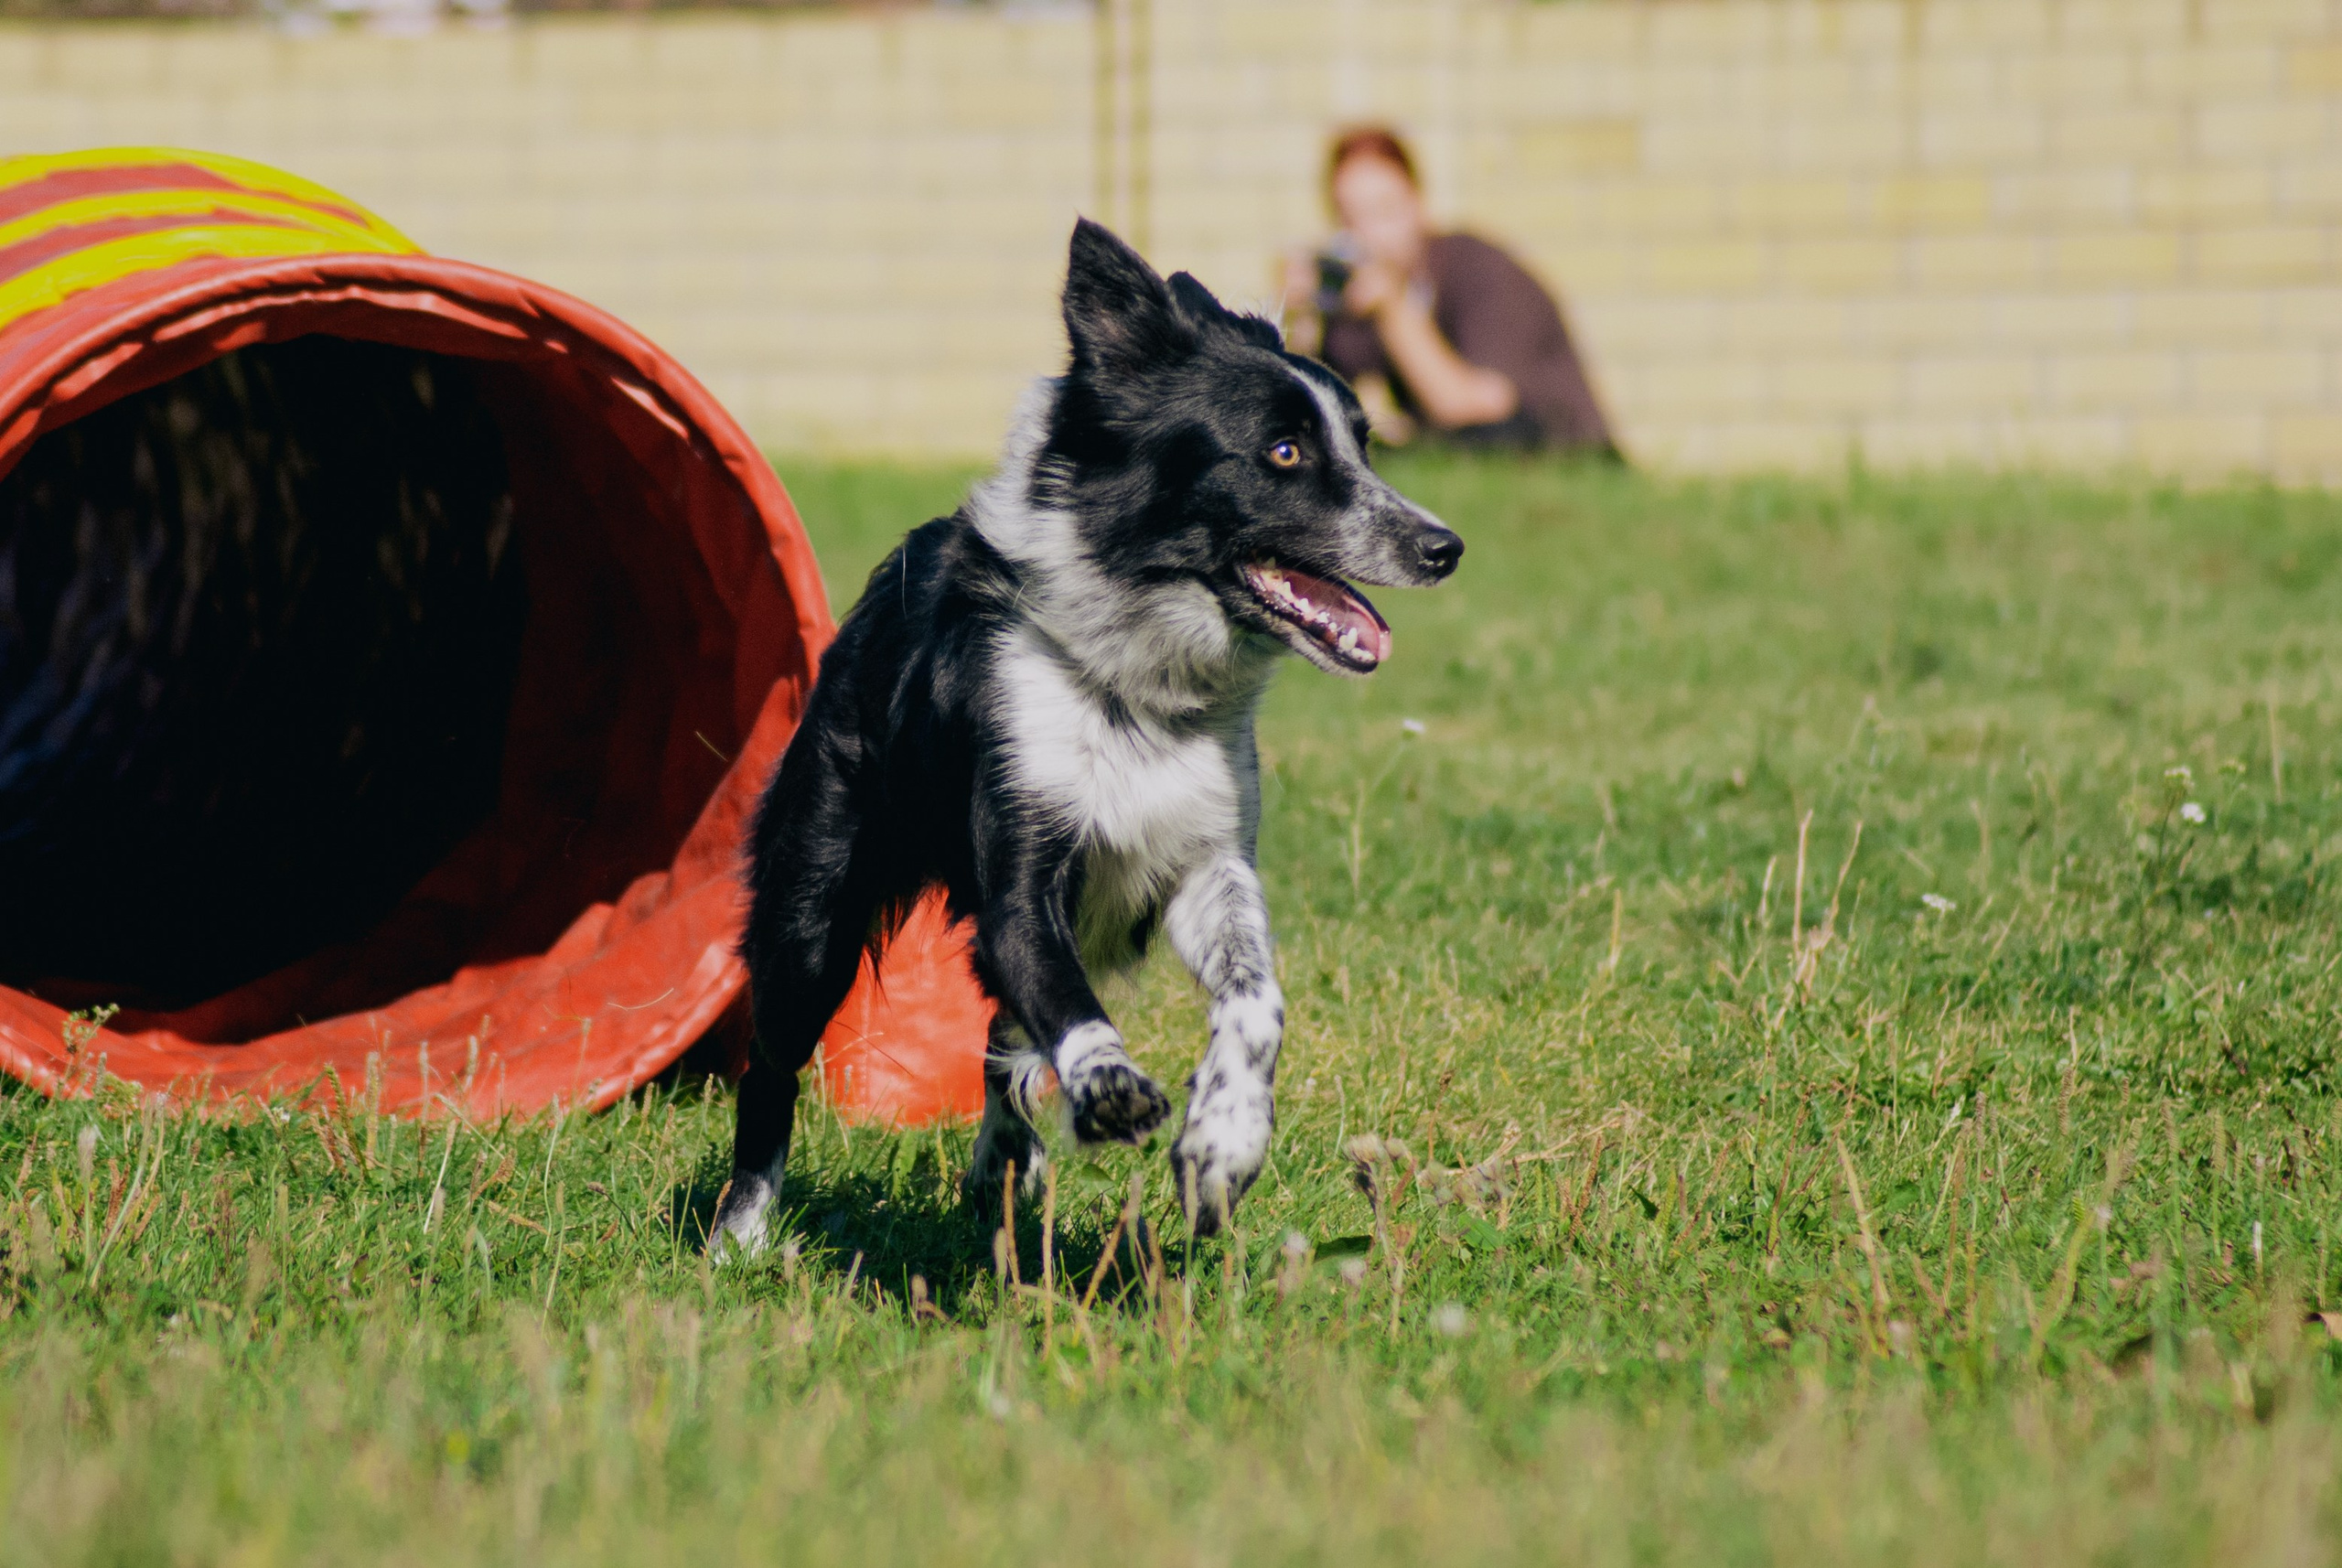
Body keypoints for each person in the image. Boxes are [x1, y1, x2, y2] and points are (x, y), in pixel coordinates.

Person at [1283, 126, 1619, 456]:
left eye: (1383, 211)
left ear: (1418, 204)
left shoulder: (1477, 268)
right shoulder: (1359, 294)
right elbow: (1311, 422)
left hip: (1562, 451)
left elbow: (1470, 409)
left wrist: (1393, 309)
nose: (1368, 235)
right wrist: (1300, 321)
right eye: (1350, 218)